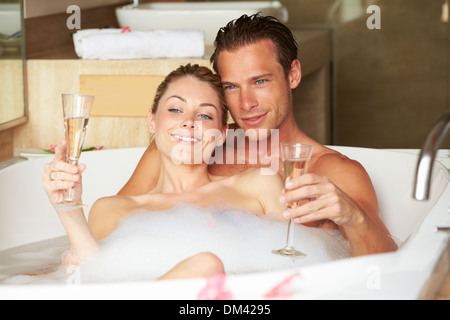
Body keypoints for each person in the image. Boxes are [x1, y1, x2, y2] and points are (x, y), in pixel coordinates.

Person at [118, 14, 398, 256]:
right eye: (231, 87)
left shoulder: (331, 171)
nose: (246, 103)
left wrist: (353, 218)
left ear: (293, 75)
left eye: (260, 81)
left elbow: (386, 260)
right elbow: (114, 232)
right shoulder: (187, 147)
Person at [42, 64, 285, 280]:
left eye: (204, 115)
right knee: (205, 266)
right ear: (151, 120)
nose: (189, 121)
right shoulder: (112, 209)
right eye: (175, 110)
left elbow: (298, 265)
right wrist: (69, 209)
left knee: (205, 266)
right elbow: (95, 280)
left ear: (221, 132)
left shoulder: (259, 186)